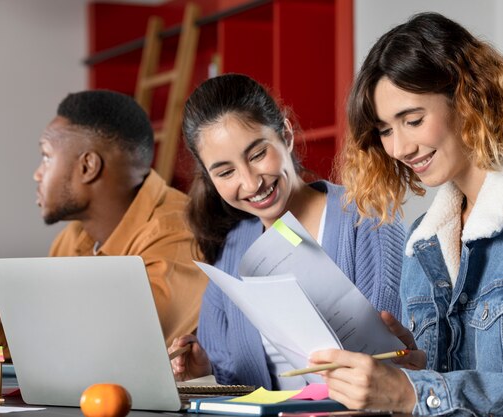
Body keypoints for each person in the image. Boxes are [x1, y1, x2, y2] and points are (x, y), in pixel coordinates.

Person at [309, 12, 503, 416]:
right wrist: (412, 369)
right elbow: (458, 384)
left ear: (468, 97)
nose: (398, 148)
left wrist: (414, 393)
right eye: (384, 131)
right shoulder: (423, 243)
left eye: (413, 120)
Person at [168, 73, 408, 389]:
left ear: (286, 134)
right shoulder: (232, 252)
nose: (251, 183)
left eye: (257, 155)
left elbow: (398, 362)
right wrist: (205, 372)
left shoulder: (369, 223)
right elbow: (233, 387)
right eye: (226, 172)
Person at [0, 90, 208, 349]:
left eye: (46, 157)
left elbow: (117, 346)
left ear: (88, 166)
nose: (37, 174)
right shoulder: (74, 238)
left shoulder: (178, 234)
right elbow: (16, 344)